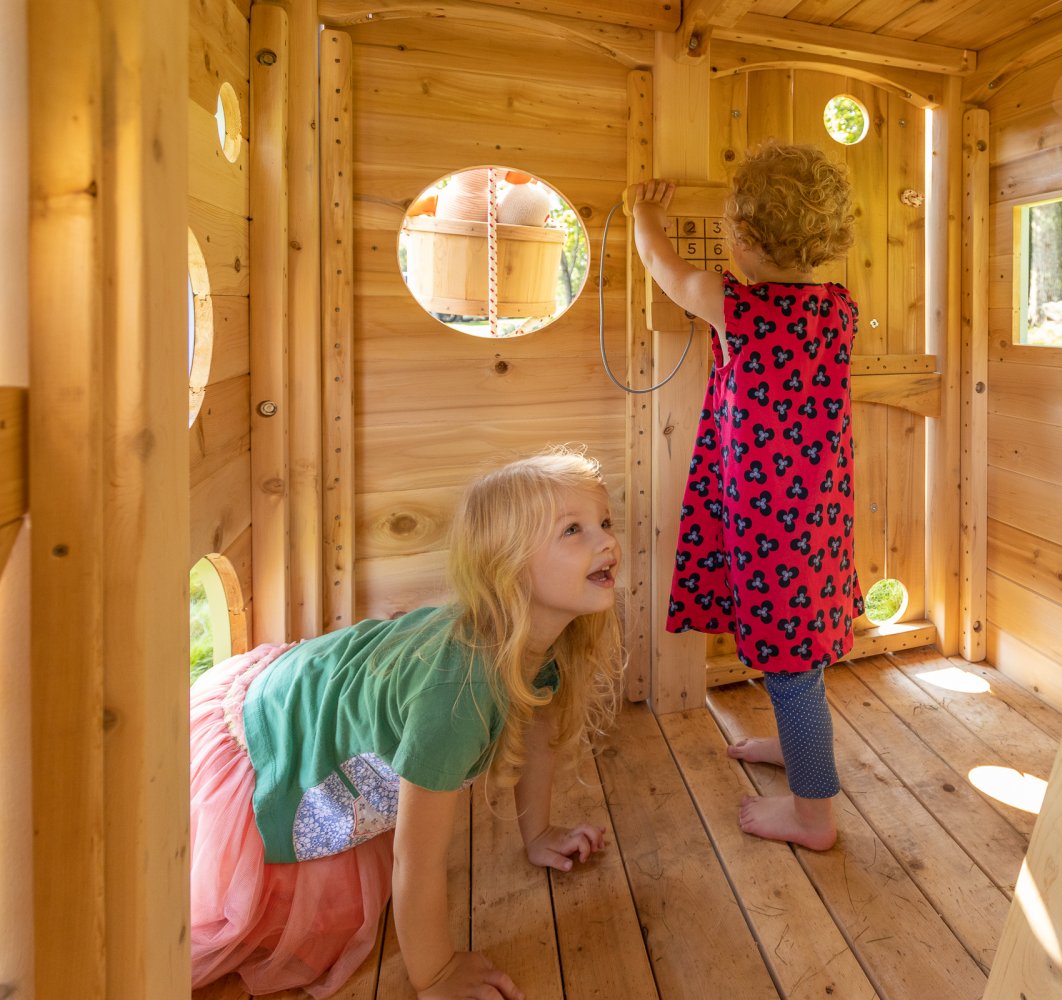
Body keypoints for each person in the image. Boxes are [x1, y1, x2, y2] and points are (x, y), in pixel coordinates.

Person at [189, 450, 625, 999]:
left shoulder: (541, 645)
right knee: (298, 920)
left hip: (326, 681)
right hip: (270, 734)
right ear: (508, 566)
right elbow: (415, 861)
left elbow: (535, 735)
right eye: (573, 530)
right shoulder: (455, 696)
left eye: (605, 523)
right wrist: (436, 973)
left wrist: (536, 835)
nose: (607, 541)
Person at [630, 140, 863, 851]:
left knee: (791, 669)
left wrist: (644, 215)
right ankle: (801, 753)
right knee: (796, 650)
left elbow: (662, 270)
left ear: (743, 240)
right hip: (814, 515)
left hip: (772, 519)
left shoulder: (734, 305)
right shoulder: (838, 307)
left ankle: (812, 814)